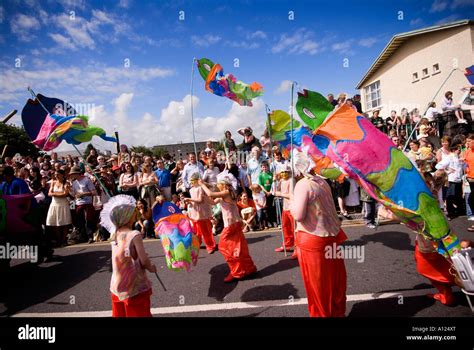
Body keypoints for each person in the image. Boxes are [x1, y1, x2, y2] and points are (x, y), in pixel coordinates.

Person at [291, 167, 347, 317]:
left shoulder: (303, 184)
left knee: (318, 288)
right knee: (335, 281)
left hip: (313, 239)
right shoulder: (323, 181)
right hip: (331, 237)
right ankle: (336, 313)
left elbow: (298, 215)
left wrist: (291, 200)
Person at [100, 195, 156, 317]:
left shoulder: (115, 234)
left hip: (117, 284)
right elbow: (144, 260)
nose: (135, 214)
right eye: (132, 213)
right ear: (127, 217)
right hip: (133, 285)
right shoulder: (134, 234)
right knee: (138, 313)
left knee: (121, 313)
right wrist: (151, 267)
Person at [199, 176, 257, 282]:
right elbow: (212, 202)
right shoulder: (225, 194)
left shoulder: (226, 192)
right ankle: (248, 268)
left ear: (224, 185)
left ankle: (236, 272)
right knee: (239, 247)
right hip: (235, 223)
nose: (217, 186)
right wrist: (203, 195)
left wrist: (202, 185)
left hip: (231, 225)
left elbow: (211, 194)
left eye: (219, 184)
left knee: (224, 247)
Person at [183, 173, 217, 254]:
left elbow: (200, 200)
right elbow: (194, 201)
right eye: (190, 181)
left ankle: (210, 245)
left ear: (197, 180)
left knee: (206, 231)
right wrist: (189, 202)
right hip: (195, 212)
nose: (191, 182)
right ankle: (197, 243)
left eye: (193, 180)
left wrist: (190, 199)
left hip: (203, 213)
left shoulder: (201, 188)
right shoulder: (191, 190)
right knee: (196, 231)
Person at [69, 166, 98, 244]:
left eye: (72, 174)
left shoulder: (87, 180)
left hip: (87, 203)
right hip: (78, 203)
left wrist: (83, 194)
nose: (71, 175)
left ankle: (90, 237)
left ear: (77, 173)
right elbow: (74, 195)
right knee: (79, 221)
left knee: (88, 220)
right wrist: (69, 191)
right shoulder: (74, 183)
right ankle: (82, 237)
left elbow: (94, 192)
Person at [46, 169, 72, 247]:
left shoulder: (66, 183)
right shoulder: (53, 182)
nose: (56, 176)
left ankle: (64, 240)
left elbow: (65, 194)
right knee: (55, 223)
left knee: (64, 223)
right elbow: (49, 193)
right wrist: (58, 193)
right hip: (54, 204)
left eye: (58, 174)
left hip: (63, 204)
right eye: (55, 174)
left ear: (62, 175)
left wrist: (54, 193)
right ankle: (58, 240)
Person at [273, 166, 295, 252]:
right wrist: (274, 181)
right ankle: (287, 244)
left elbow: (291, 195)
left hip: (291, 208)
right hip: (285, 208)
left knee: (294, 228)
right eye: (282, 172)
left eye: (286, 171)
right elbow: (274, 191)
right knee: (285, 227)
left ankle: (298, 247)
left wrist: (280, 194)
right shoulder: (282, 180)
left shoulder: (292, 180)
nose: (284, 173)